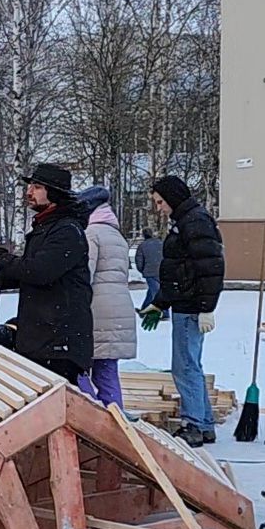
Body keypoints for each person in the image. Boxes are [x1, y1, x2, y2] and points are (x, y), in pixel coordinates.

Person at [0, 164, 92, 384]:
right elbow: (29, 272)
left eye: (36, 187)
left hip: (59, 341)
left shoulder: (67, 230)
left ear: (54, 193)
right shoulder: (46, 227)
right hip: (42, 337)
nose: (29, 192)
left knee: (55, 410)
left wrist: (4, 259)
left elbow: (40, 272)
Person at [139, 175, 224, 447]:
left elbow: (210, 267)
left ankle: (194, 425)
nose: (159, 208)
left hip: (191, 308)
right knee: (190, 365)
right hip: (185, 304)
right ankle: (204, 423)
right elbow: (179, 272)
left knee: (185, 366)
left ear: (173, 198)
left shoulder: (195, 222)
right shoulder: (186, 222)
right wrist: (160, 302)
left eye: (161, 202)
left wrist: (206, 308)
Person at [77, 186, 137, 408]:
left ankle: (91, 422)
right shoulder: (116, 235)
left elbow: (85, 275)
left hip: (98, 310)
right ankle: (116, 420)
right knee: (107, 371)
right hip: (119, 309)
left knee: (80, 369)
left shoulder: (91, 234)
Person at [135, 227, 163, 310]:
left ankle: (165, 313)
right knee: (152, 292)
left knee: (156, 293)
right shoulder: (160, 243)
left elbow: (139, 261)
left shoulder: (142, 246)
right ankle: (145, 308)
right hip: (161, 270)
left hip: (150, 272)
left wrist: (143, 270)